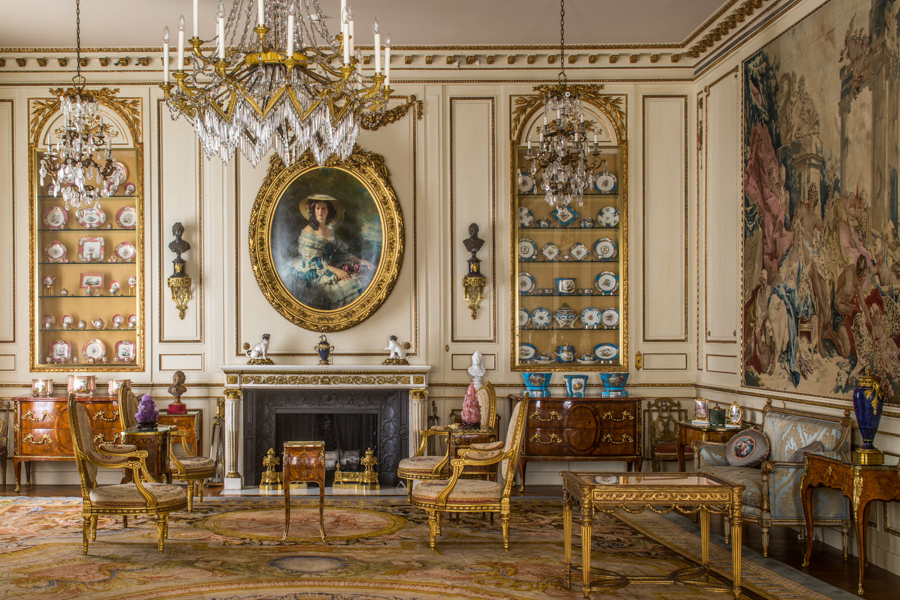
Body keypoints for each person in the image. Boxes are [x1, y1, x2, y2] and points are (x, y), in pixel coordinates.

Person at [279, 194, 375, 310]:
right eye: (317, 208)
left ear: (328, 211)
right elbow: (312, 261)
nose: (320, 212)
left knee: (361, 274)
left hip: (330, 264)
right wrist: (337, 271)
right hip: (314, 269)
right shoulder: (308, 231)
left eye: (323, 208)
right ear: (313, 210)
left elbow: (342, 252)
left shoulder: (330, 230)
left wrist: (359, 260)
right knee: (333, 290)